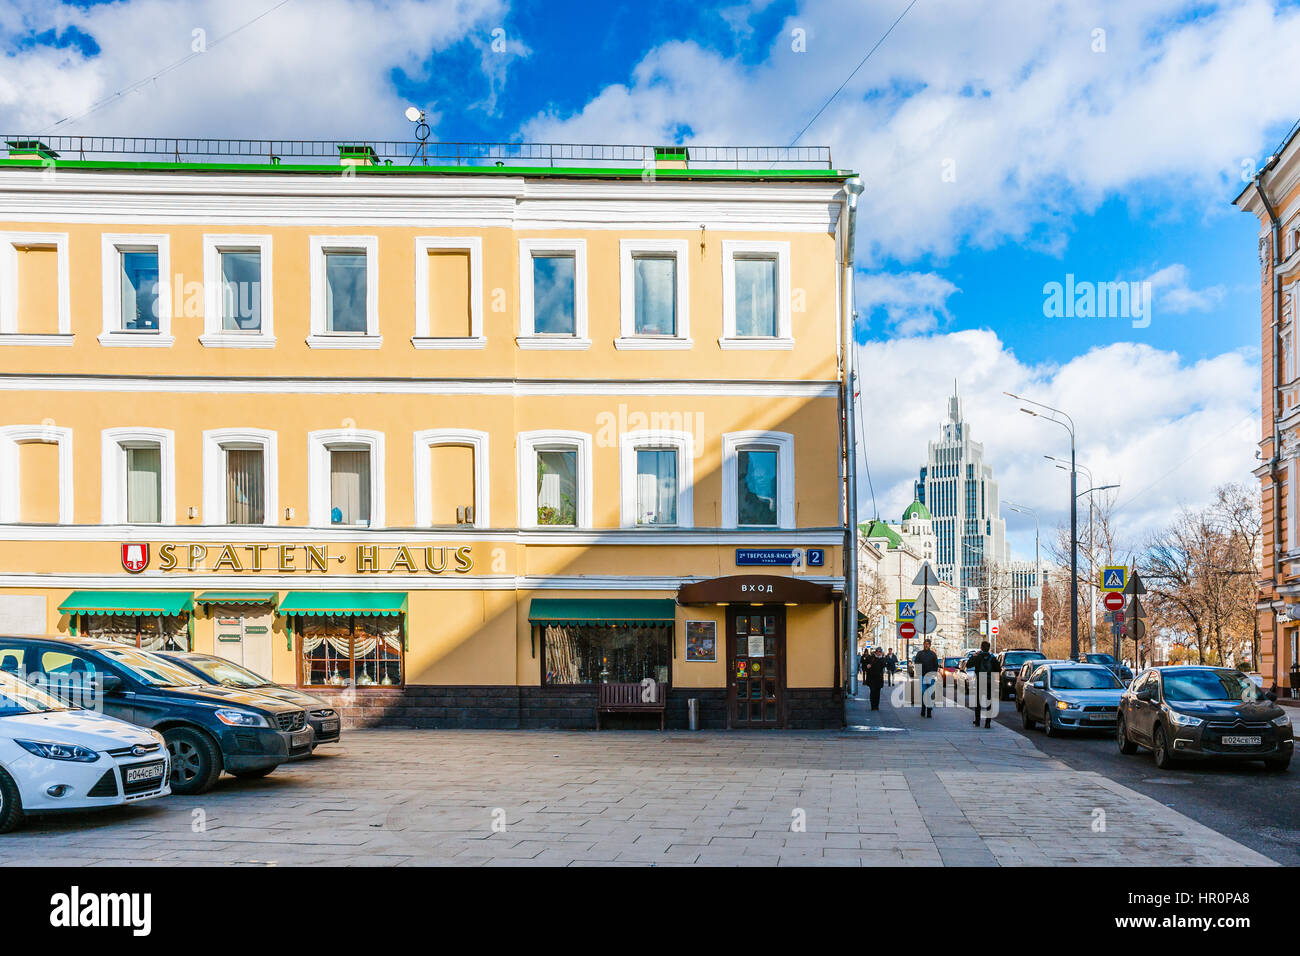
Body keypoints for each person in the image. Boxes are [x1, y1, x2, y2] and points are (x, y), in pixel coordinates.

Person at [969, 640, 1001, 728]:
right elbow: (998, 669)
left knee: (978, 703)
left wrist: (973, 656)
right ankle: (987, 723)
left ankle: (978, 721)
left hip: (980, 681)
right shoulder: (993, 658)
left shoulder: (978, 656)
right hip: (990, 682)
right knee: (989, 702)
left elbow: (968, 665)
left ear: (981, 648)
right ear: (989, 648)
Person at [913, 639, 940, 717]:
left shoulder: (933, 654)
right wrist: (919, 674)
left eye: (928, 644)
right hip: (922, 676)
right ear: (923, 644)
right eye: (925, 643)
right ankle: (923, 709)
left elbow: (936, 665)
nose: (926, 645)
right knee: (923, 693)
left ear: (930, 645)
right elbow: (917, 664)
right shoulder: (919, 654)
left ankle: (929, 712)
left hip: (930, 676)